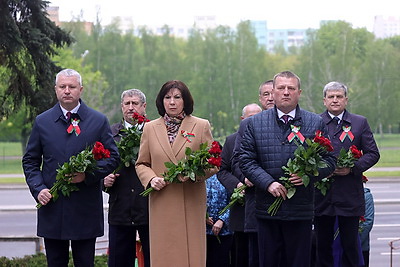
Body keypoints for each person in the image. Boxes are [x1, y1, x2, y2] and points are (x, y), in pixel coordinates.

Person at [22, 68, 119, 267]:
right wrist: (39, 189)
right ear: (55, 90)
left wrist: (87, 175)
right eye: (62, 86)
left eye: (72, 87)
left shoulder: (98, 121)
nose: (67, 91)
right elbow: (30, 161)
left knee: (85, 262)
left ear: (80, 90)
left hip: (85, 208)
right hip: (53, 208)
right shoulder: (42, 122)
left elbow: (112, 157)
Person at [239, 71, 336, 267]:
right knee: (269, 261)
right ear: (272, 92)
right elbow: (246, 160)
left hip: (301, 209)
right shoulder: (253, 124)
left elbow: (329, 160)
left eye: (291, 88)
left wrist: (308, 174)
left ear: (299, 92)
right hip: (267, 209)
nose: (286, 92)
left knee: (299, 261)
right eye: (281, 88)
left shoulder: (315, 122)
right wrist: (268, 183)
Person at [135, 80, 218, 267]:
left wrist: (194, 174)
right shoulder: (150, 128)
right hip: (162, 201)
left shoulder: (201, 125)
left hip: (190, 200)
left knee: (191, 256)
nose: (172, 102)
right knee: (164, 253)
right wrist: (151, 179)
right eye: (167, 97)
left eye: (177, 97)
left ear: (185, 100)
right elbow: (141, 163)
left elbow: (214, 162)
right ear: (161, 101)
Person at [314, 81, 380, 267]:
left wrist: (353, 168)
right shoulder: (315, 122)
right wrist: (320, 170)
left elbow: (373, 154)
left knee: (351, 245)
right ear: (324, 100)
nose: (335, 100)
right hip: (322, 197)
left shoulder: (359, 122)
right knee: (322, 246)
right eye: (331, 97)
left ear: (346, 100)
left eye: (339, 96)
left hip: (349, 195)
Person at [103, 89, 150, 267]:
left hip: (149, 208)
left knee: (155, 259)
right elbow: (98, 165)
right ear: (122, 107)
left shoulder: (154, 131)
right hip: (120, 209)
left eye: (135, 103)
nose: (131, 108)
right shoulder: (109, 133)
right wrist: (103, 180)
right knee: (119, 262)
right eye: (127, 104)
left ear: (144, 107)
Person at [217, 103, 262, 267]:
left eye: (259, 116)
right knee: (241, 254)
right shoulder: (231, 140)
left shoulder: (268, 137)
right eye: (251, 117)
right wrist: (238, 184)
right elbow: (222, 170)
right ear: (243, 120)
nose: (255, 120)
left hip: (264, 203)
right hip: (242, 208)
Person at [206, 173, 234, 267]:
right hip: (203, 231)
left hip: (224, 231)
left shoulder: (227, 176)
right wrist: (203, 216)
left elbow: (235, 201)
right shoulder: (201, 177)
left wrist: (222, 220)